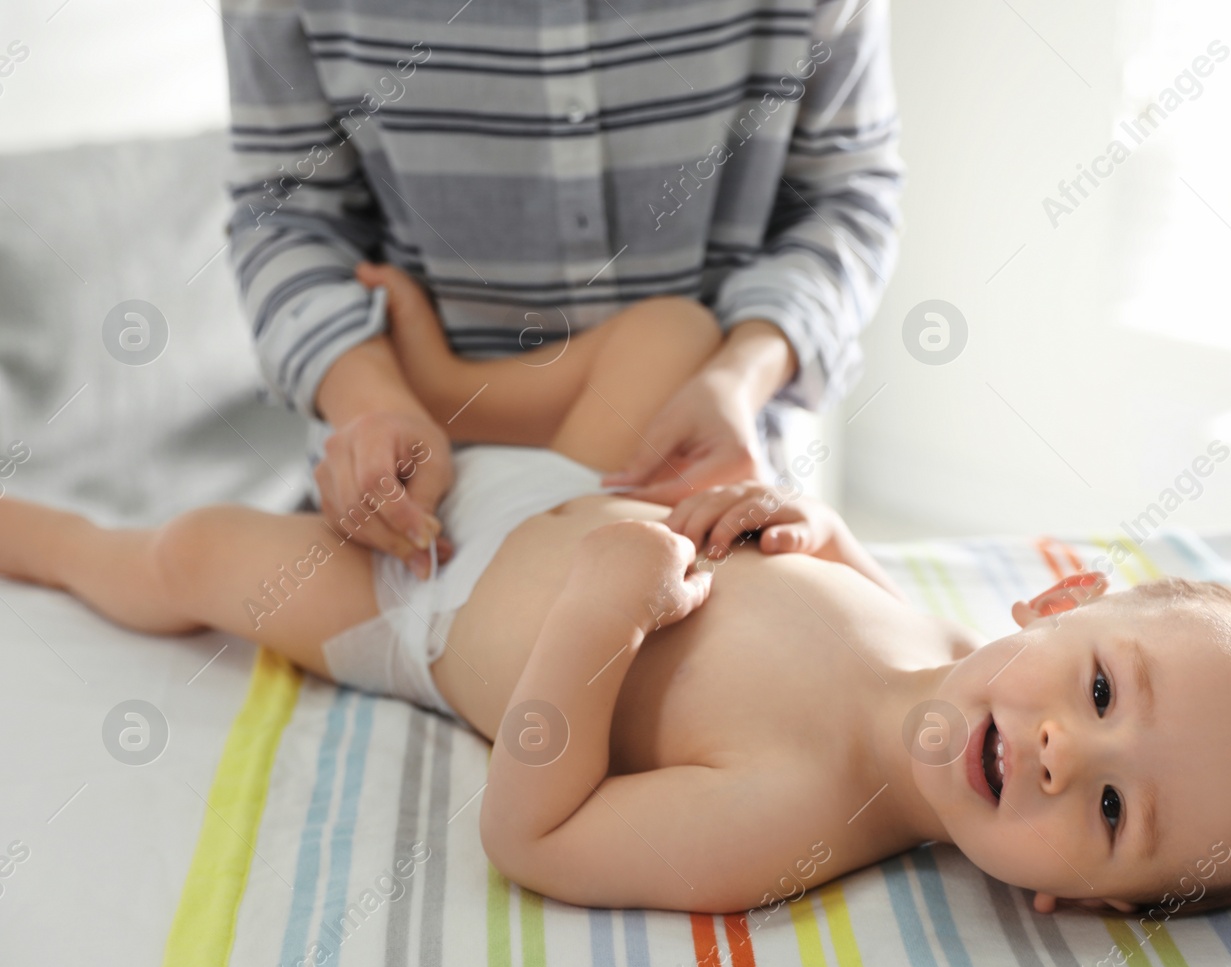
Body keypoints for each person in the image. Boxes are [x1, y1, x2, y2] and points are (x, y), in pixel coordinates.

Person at [0, 269, 1231, 917]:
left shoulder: (797, 817)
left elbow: (537, 834)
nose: (1068, 749)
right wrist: (793, 519)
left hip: (429, 599)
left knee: (189, 552)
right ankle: (444, 389)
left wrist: (599, 619)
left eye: (1113, 811)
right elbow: (819, 577)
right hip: (563, 479)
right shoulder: (933, 627)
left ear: (1060, 895)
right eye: (1108, 688)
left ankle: (23, 530)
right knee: (675, 331)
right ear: (1058, 609)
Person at [221, 0, 904, 580]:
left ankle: (448, 394)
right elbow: (285, 213)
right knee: (677, 342)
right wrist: (370, 401)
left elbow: (844, 198)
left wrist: (739, 377)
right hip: (408, 492)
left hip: (675, 488)